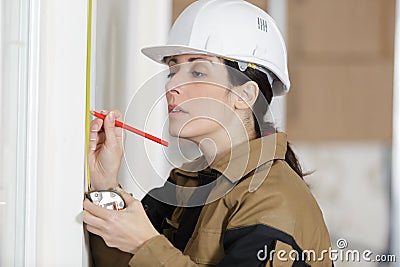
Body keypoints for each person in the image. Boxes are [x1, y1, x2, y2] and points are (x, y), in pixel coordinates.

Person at [83, 0, 333, 266]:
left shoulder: (274, 201)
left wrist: (146, 244)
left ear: (244, 95)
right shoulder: (186, 185)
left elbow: (143, 250)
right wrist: (105, 185)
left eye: (198, 71)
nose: (173, 85)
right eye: (173, 70)